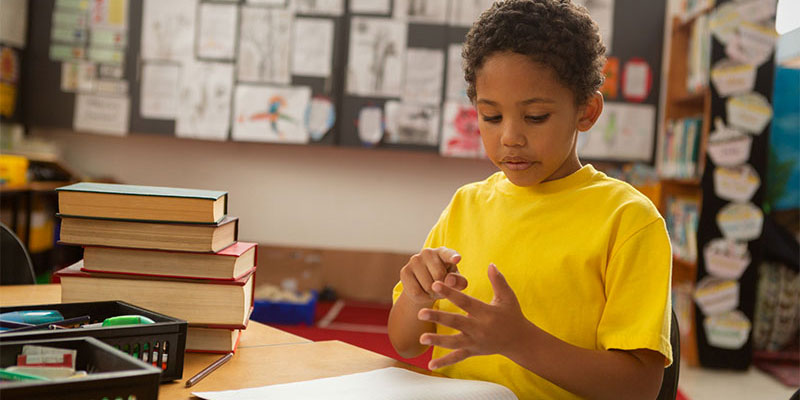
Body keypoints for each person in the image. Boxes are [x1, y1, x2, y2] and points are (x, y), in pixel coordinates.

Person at [387, 1, 673, 399]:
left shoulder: (627, 219)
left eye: (536, 116)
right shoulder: (466, 204)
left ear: (586, 112)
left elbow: (639, 388)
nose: (510, 137)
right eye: (491, 117)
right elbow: (406, 344)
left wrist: (520, 341)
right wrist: (417, 294)